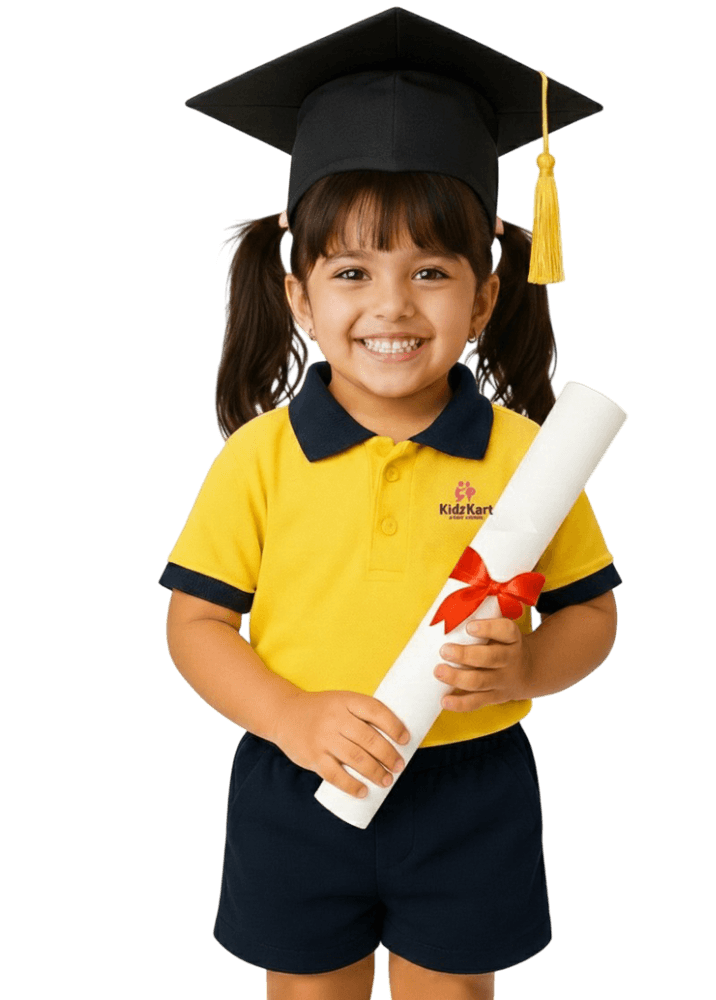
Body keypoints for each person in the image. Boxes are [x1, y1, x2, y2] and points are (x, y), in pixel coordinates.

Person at [159, 8, 623, 999]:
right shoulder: (260, 456)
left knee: (452, 992)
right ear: (300, 298)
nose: (392, 306)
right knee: (306, 991)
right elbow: (195, 622)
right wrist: (287, 714)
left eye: (432, 272)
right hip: (298, 771)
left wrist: (527, 666)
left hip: (470, 785)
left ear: (484, 298)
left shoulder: (529, 457)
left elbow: (591, 613)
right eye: (351, 272)